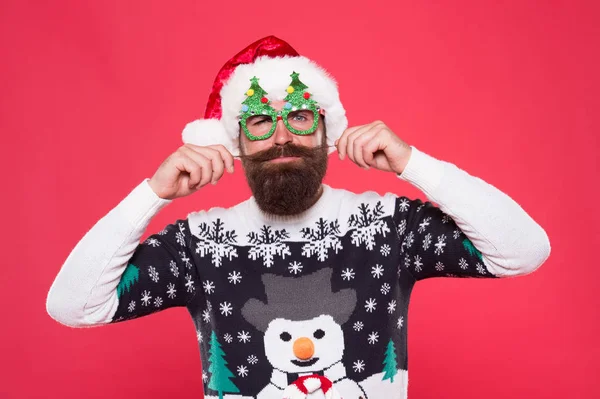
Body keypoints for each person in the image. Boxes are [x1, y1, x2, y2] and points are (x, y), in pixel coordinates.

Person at [46, 36, 551, 399]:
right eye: (261, 120)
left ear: (326, 130)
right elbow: (73, 306)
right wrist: (151, 195)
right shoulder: (199, 243)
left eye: (300, 116)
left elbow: (524, 251)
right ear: (235, 143)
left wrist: (413, 164)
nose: (282, 135)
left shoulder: (387, 225)